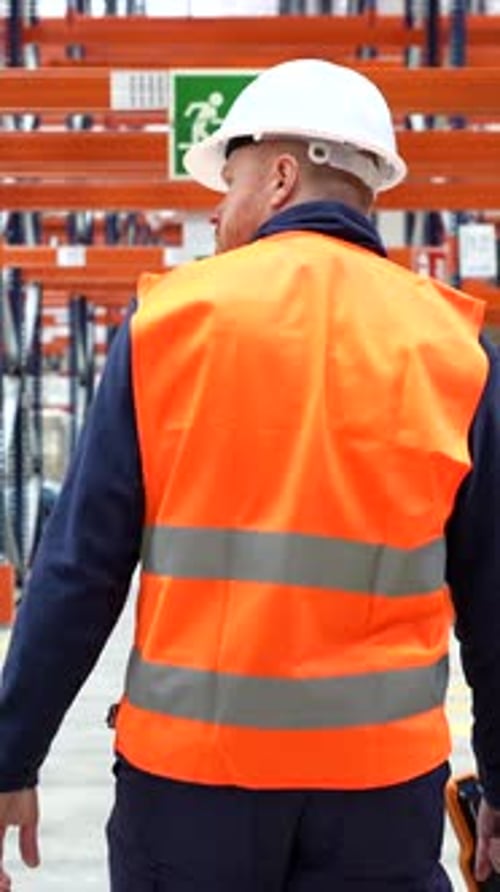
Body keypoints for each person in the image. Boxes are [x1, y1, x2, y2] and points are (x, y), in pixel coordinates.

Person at [0, 57, 499, 892]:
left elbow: (79, 569)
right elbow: (495, 601)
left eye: (226, 183)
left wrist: (12, 755)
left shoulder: (170, 325)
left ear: (278, 176)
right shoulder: (457, 352)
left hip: (191, 792)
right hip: (380, 799)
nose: (218, 210)